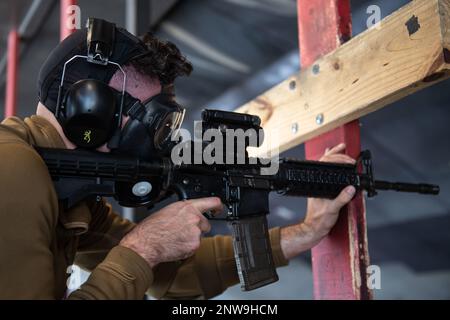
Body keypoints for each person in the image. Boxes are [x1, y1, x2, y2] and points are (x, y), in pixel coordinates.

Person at [0, 22, 357, 300]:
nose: (155, 135)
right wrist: (144, 245)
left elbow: (174, 274)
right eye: (148, 116)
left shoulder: (65, 192)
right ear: (91, 110)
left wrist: (307, 232)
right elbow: (141, 256)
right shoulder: (14, 169)